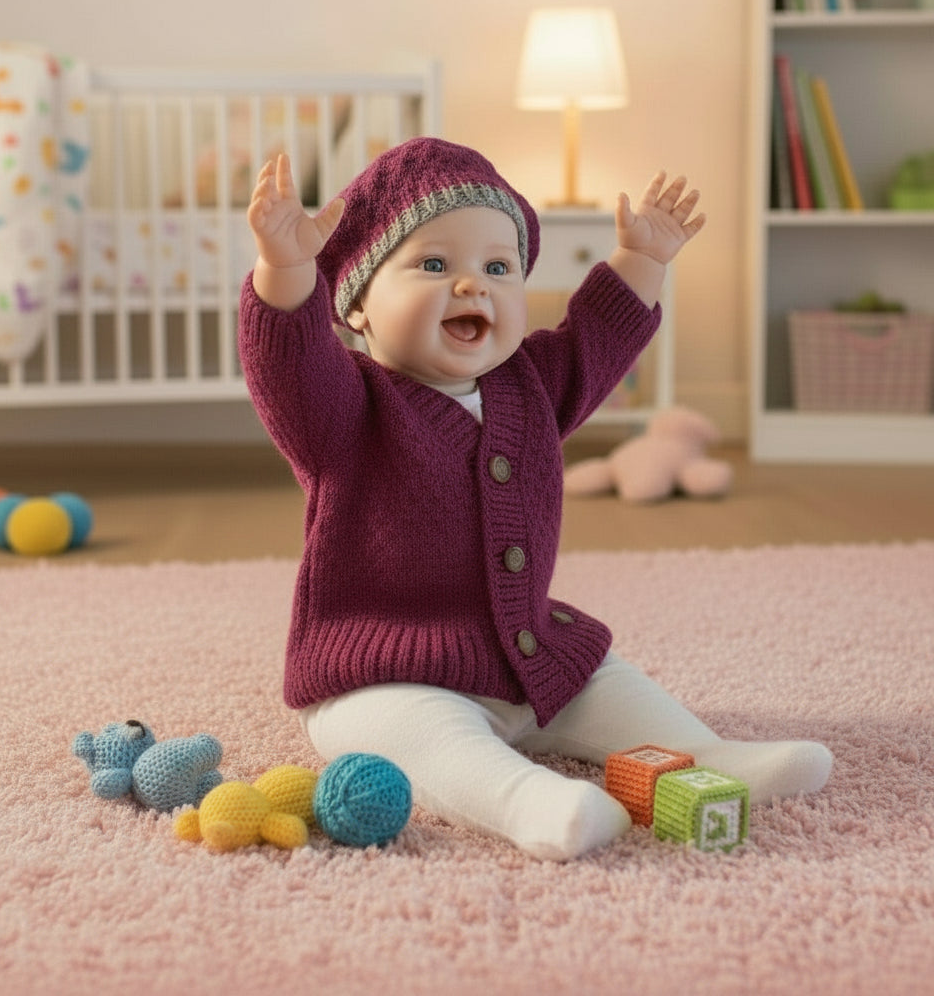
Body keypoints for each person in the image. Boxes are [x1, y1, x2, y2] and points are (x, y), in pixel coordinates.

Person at [239, 138, 832, 861]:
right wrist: (286, 270)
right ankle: (531, 803)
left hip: (526, 653)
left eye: (498, 267)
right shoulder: (344, 408)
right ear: (357, 306)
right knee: (419, 734)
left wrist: (642, 258)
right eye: (434, 265)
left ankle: (706, 757)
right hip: (383, 668)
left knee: (606, 679)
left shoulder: (528, 385)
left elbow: (595, 343)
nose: (472, 286)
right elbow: (287, 363)